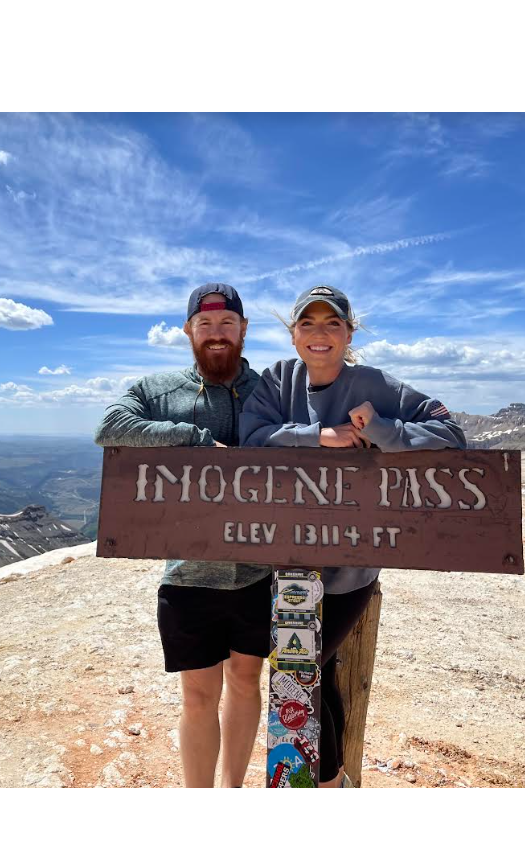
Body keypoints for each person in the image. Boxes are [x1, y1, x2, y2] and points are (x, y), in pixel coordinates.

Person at [240, 284, 467, 787]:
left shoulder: (375, 383)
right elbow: (249, 438)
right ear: (293, 333)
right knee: (308, 669)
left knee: (299, 670)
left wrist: (384, 427)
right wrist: (319, 437)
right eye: (308, 324)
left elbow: (451, 435)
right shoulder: (279, 380)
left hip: (349, 571)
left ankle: (319, 782)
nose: (320, 334)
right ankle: (333, 779)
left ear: (349, 332)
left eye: (332, 324)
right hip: (290, 564)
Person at [94, 283, 271, 788]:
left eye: (227, 324)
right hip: (189, 573)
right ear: (189, 330)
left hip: (259, 572)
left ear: (243, 329)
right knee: (197, 696)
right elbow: (110, 427)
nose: (217, 335)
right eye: (206, 324)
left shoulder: (270, 389)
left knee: (245, 682)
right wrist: (193, 438)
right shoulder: (158, 388)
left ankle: (231, 790)